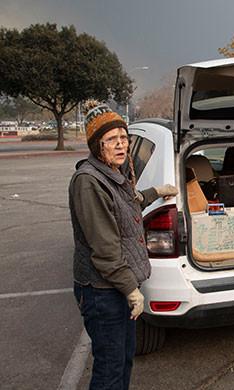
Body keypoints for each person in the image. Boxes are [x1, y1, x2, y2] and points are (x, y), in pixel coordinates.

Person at [69, 100, 177, 389]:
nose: (121, 145)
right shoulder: (89, 182)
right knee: (109, 368)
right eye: (112, 140)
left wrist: (158, 191)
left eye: (124, 138)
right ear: (97, 145)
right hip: (102, 291)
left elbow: (129, 199)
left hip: (116, 286)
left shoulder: (113, 175)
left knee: (124, 358)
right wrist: (131, 289)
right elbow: (105, 249)